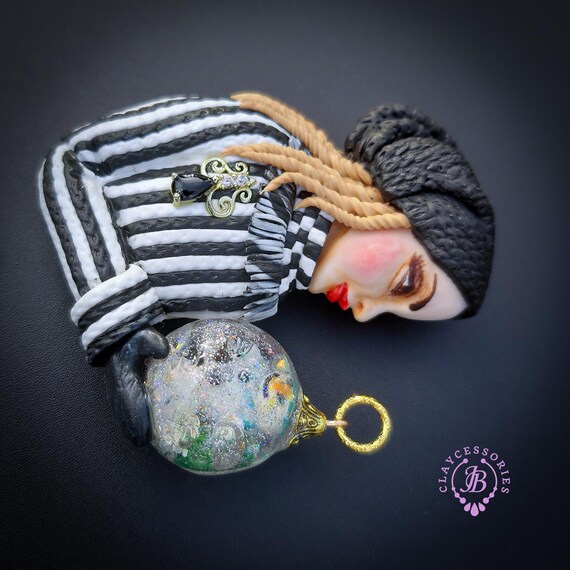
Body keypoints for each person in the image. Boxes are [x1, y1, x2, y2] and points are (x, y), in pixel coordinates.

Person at [39, 92, 494, 445]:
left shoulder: (258, 302)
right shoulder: (259, 144)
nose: (363, 313)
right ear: (390, 200)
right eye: (407, 282)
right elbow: (73, 161)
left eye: (387, 315)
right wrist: (118, 327)